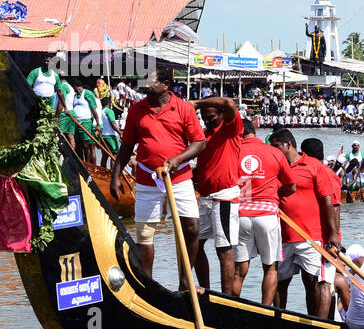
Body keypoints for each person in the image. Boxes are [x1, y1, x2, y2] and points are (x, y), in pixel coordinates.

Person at [111, 67, 206, 290]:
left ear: (165, 85)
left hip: (179, 177)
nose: (145, 84)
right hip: (146, 178)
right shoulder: (136, 110)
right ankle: (148, 285)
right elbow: (126, 146)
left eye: (151, 81)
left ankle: (185, 281)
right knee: (145, 233)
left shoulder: (183, 108)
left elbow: (199, 143)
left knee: (191, 227)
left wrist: (178, 159)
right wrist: (116, 175)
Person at [272, 130, 341, 318]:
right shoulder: (276, 166)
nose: (273, 150)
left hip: (311, 236)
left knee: (313, 281)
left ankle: (316, 323)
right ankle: (279, 320)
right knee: (279, 280)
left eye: (276, 146)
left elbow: (330, 203)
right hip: (283, 235)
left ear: (288, 145)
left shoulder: (314, 166)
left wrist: (333, 234)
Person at [231, 119, 294, 305]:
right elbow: (291, 186)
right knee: (271, 268)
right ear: (254, 130)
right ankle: (266, 310)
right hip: (267, 214)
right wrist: (274, 193)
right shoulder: (274, 151)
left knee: (239, 270)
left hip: (240, 214)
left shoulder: (232, 151)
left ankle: (233, 308)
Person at [192, 95, 242, 294]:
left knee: (223, 249)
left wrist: (196, 103)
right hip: (205, 197)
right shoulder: (204, 135)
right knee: (194, 246)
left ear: (222, 115)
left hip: (224, 196)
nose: (207, 120)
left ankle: (226, 297)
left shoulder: (231, 129)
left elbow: (229, 103)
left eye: (211, 116)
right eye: (204, 117)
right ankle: (207, 290)